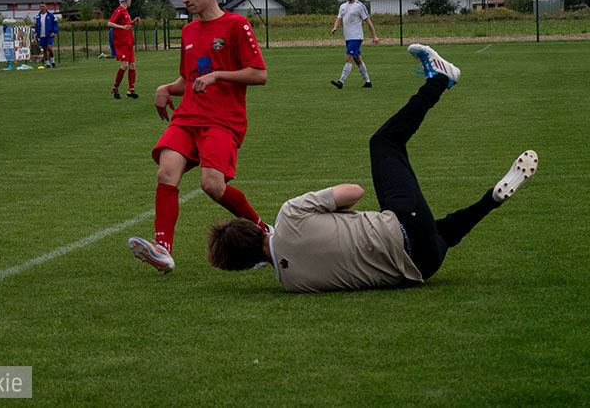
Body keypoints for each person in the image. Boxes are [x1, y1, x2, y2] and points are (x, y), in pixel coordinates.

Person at [207, 44, 539, 293]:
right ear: (257, 228)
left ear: (247, 265)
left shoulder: (293, 283)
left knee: (442, 231)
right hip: (404, 227)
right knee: (383, 144)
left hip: (422, 267)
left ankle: (491, 200)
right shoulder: (289, 215)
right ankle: (439, 80)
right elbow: (355, 191)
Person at [128, 0, 269, 273]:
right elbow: (188, 79)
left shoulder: (236, 25)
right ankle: (163, 249)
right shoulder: (188, 31)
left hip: (223, 120)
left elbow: (260, 75)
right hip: (188, 117)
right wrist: (166, 88)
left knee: (212, 186)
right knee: (166, 173)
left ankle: (264, 231)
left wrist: (219, 76)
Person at [330, 0, 379, 90]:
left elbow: (368, 22)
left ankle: (341, 82)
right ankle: (368, 82)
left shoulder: (360, 6)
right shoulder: (343, 6)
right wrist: (335, 28)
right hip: (348, 38)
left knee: (348, 58)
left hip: (356, 37)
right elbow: (339, 19)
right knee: (358, 60)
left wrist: (374, 36)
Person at [106, 0, 140, 99]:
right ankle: (115, 88)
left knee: (132, 65)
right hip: (122, 43)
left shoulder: (126, 12)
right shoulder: (119, 10)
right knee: (125, 65)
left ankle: (131, 90)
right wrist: (122, 27)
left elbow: (126, 25)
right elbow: (110, 23)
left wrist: (133, 22)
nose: (131, 1)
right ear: (126, 0)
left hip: (129, 42)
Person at [34, 3, 58, 68]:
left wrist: (54, 32)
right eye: (41, 6)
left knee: (49, 48)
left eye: (43, 6)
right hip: (41, 35)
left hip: (49, 35)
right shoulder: (37, 17)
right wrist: (36, 33)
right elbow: (36, 26)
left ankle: (53, 62)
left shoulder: (51, 15)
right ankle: (47, 64)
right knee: (44, 49)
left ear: (46, 7)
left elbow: (55, 24)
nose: (42, 8)